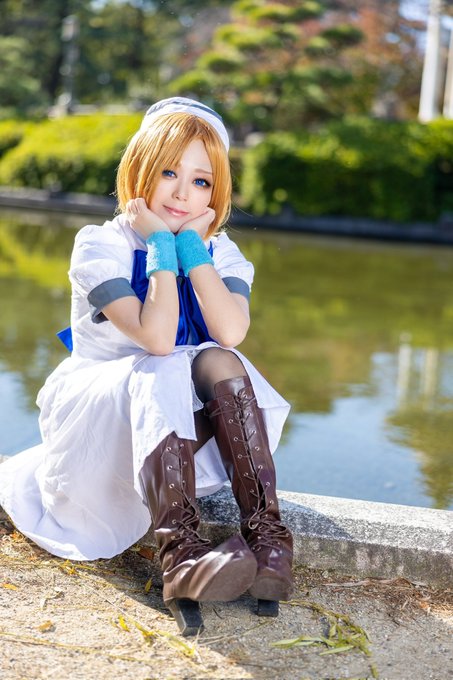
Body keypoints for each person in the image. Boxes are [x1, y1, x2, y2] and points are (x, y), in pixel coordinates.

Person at [0, 97, 293, 635]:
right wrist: (161, 244)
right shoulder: (101, 246)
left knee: (219, 358)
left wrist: (192, 250)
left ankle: (269, 542)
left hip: (175, 423)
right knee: (164, 364)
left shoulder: (221, 253)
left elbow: (230, 332)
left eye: (202, 182)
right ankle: (181, 554)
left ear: (217, 193)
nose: (183, 193)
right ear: (140, 169)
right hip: (97, 419)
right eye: (169, 173)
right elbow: (156, 339)